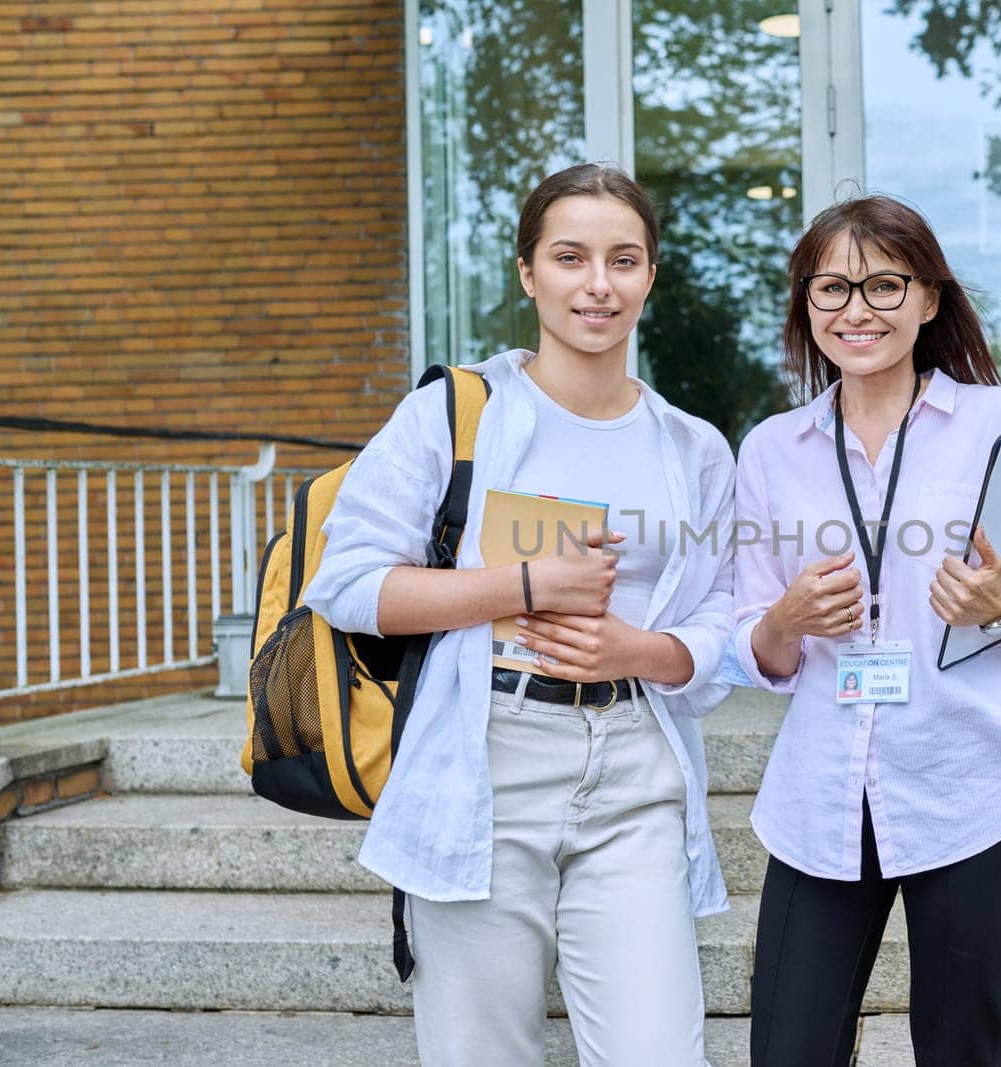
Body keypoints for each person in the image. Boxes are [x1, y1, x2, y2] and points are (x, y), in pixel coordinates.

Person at [303, 163, 735, 1067]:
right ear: (529, 273)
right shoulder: (455, 415)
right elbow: (346, 582)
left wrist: (644, 648)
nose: (598, 284)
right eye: (570, 257)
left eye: (624, 260)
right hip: (487, 758)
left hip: (635, 769)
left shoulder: (691, 448)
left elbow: (722, 618)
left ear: (651, 275)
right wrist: (527, 585)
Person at [728, 194, 1001, 1066]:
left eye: (883, 284)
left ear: (929, 298)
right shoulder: (772, 450)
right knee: (788, 1050)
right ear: (805, 305)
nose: (857, 310)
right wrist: (786, 618)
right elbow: (752, 641)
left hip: (969, 782)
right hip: (822, 791)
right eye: (832, 289)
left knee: (959, 1047)